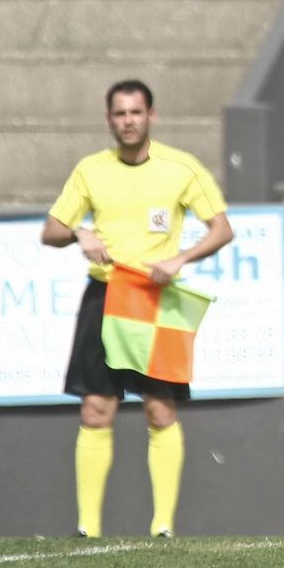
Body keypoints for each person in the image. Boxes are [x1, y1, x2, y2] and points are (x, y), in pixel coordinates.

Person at [40, 80, 235, 539]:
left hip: (156, 298)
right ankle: (87, 529)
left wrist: (180, 258)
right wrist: (78, 234)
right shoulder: (91, 170)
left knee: (160, 410)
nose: (128, 121)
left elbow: (222, 229)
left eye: (135, 112)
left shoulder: (180, 168)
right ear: (109, 119)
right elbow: (51, 229)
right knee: (95, 409)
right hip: (106, 296)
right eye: (120, 114)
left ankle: (163, 527)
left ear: (152, 115)